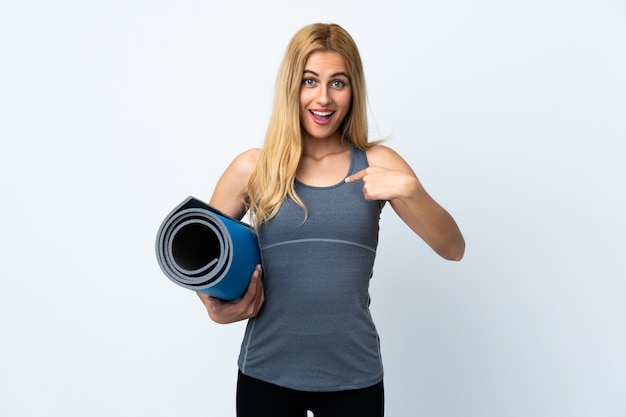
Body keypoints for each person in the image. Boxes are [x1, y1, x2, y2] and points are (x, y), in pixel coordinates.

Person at [196, 22, 465, 417]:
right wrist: (214, 306)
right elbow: (199, 255)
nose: (323, 98)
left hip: (354, 378)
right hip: (265, 375)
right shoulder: (253, 167)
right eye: (310, 81)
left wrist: (411, 190)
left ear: (353, 89)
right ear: (292, 86)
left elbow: (453, 249)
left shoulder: (378, 165)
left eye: (338, 83)